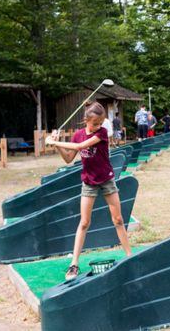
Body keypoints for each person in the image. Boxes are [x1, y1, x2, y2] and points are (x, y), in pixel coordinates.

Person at [46, 101, 132, 280]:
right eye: (94, 123)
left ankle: (130, 256)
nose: (98, 127)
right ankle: (74, 264)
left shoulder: (101, 133)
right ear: (85, 120)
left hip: (106, 178)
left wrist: (54, 140)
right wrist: (56, 144)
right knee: (84, 222)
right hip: (89, 181)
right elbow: (69, 158)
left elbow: (78, 147)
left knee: (118, 219)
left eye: (100, 123)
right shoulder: (78, 134)